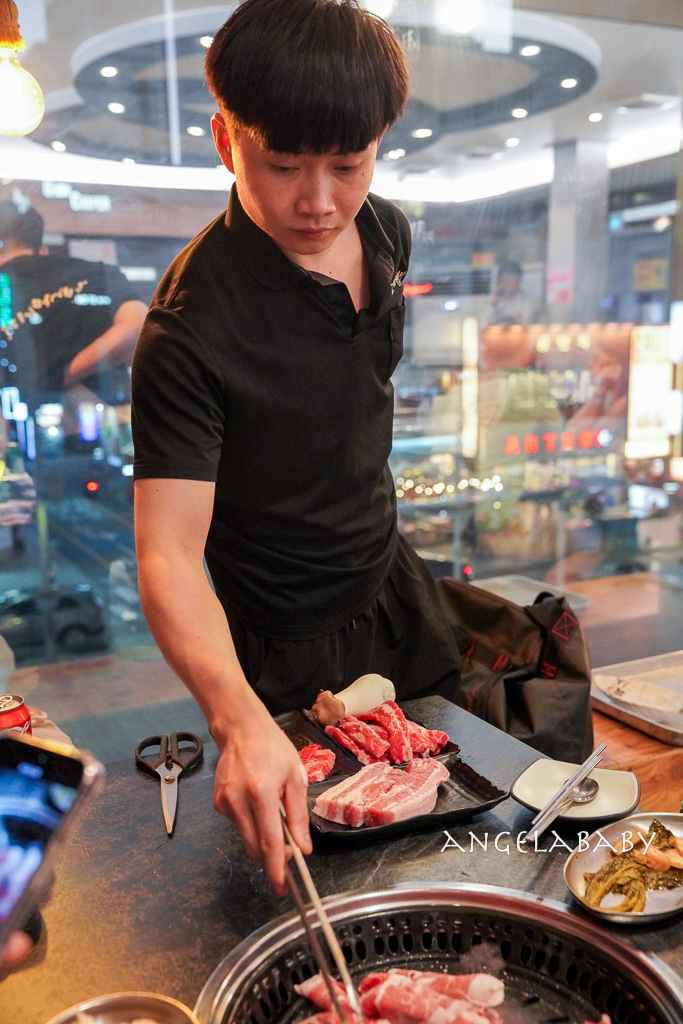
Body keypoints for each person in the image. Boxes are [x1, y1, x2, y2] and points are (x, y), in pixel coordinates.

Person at [132, 0, 461, 895]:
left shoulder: (385, 229)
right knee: (316, 887)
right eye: (282, 165)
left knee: (451, 849)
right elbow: (166, 553)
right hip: (277, 645)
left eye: (347, 165)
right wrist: (235, 715)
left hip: (393, 590)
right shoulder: (190, 328)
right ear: (223, 139)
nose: (318, 201)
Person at [0, 200, 147, 441]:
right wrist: (68, 374)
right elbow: (137, 327)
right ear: (41, 246)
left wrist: (54, 380)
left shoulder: (4, 285)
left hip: (28, 431)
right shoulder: (96, 273)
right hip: (117, 423)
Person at [488, 260, 535, 327]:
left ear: (519, 279)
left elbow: (527, 323)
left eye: (510, 277)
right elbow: (486, 323)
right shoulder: (499, 300)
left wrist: (510, 317)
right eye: (504, 278)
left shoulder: (528, 300)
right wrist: (494, 302)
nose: (507, 281)